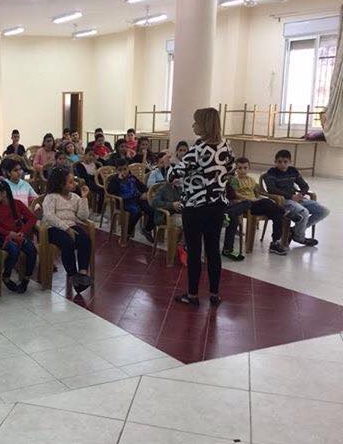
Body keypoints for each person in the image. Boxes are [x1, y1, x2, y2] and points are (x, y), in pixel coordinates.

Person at [168, 107, 234, 307]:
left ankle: (193, 295)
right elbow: (230, 170)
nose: (193, 125)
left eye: (196, 122)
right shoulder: (226, 146)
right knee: (213, 250)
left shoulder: (197, 149)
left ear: (204, 125)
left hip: (195, 207)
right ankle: (214, 294)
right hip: (217, 205)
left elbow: (173, 175)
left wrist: (169, 162)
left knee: (195, 251)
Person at [263, 149, 329, 246]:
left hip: (297, 199)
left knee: (323, 211)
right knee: (304, 213)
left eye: (285, 162)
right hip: (283, 200)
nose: (282, 164)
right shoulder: (272, 172)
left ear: (290, 162)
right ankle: (300, 238)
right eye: (279, 162)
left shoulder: (292, 171)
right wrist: (291, 196)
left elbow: (305, 186)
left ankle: (294, 231)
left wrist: (301, 195)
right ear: (275, 162)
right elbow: (271, 189)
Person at [42, 167, 92, 294]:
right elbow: (49, 216)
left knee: (85, 239)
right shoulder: (51, 197)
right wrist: (66, 228)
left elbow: (83, 216)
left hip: (71, 225)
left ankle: (82, 273)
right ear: (61, 184)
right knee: (67, 242)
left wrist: (84, 198)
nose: (74, 184)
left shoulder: (75, 197)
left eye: (73, 180)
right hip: (54, 228)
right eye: (70, 182)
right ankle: (72, 275)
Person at [0, 179, 37, 293]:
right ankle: (6, 275)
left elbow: (32, 218)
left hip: (18, 235)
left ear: (4, 194)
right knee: (14, 250)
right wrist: (8, 233)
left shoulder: (17, 204)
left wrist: (22, 232)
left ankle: (26, 279)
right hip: (2, 236)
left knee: (32, 250)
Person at [229, 157, 287, 255]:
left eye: (245, 168)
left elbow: (260, 192)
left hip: (256, 204)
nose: (242, 170)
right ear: (236, 169)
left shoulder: (251, 180)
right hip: (244, 205)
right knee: (268, 203)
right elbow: (235, 194)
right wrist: (249, 199)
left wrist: (261, 198)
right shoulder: (234, 180)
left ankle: (275, 242)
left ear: (249, 168)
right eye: (240, 168)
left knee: (277, 215)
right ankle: (284, 211)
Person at [107, 162, 155, 242]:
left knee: (152, 209)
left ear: (128, 169)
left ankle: (147, 229)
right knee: (137, 211)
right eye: (120, 170)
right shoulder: (114, 180)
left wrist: (145, 193)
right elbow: (110, 191)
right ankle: (128, 232)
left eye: (125, 169)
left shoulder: (132, 177)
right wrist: (119, 179)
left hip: (137, 198)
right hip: (125, 202)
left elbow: (143, 187)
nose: (123, 172)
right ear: (116, 171)